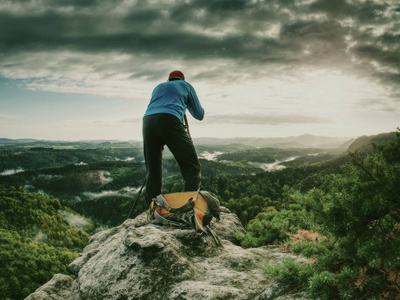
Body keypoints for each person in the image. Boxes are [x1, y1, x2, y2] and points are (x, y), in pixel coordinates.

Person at [142, 70, 205, 206]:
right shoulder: (186, 85)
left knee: (153, 170)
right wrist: (186, 103)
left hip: (148, 121)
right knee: (192, 166)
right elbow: (199, 114)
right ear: (182, 79)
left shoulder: (158, 87)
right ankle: (188, 206)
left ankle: (153, 208)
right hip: (169, 120)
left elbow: (160, 104)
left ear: (169, 79)